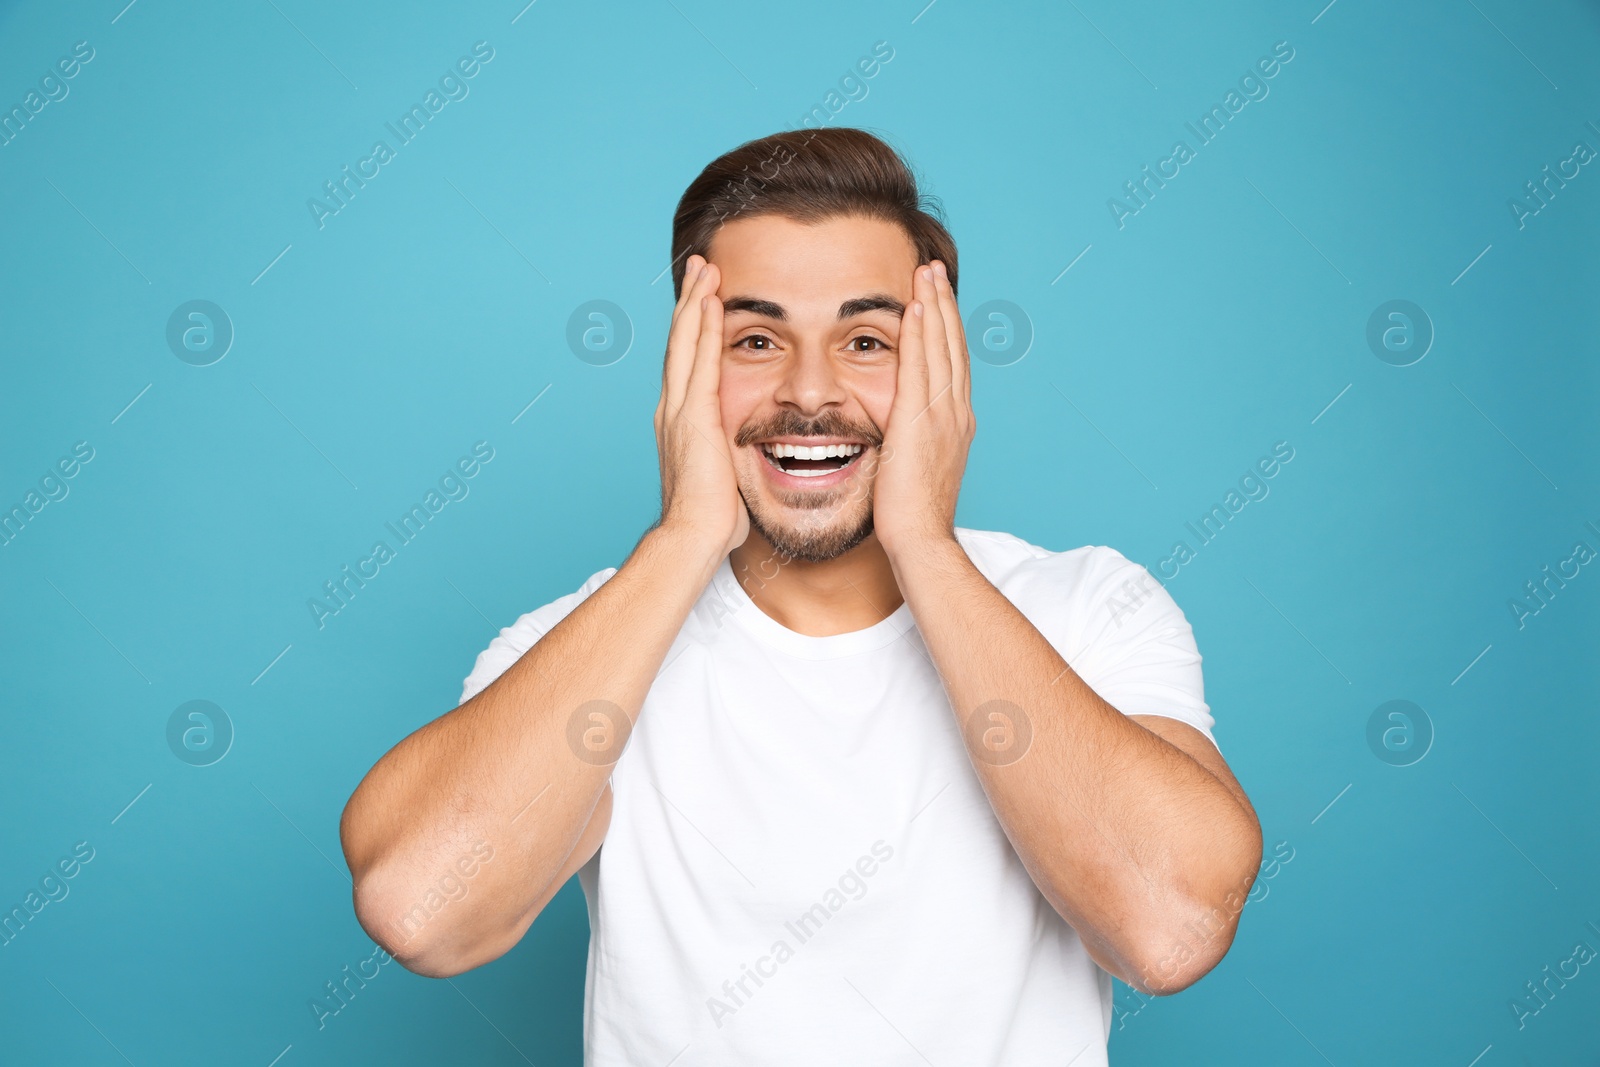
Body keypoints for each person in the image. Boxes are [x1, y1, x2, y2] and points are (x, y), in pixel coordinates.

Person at [339, 127, 1262, 1065]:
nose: (811, 391)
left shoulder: (1090, 607)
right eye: (754, 338)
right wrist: (683, 540)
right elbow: (421, 913)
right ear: (686, 372)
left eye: (867, 340)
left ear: (940, 370)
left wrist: (927, 548)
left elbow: (1172, 929)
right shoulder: (591, 646)